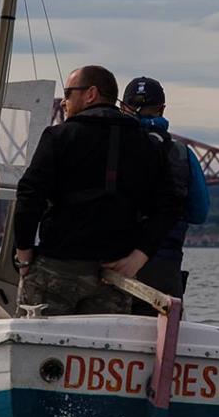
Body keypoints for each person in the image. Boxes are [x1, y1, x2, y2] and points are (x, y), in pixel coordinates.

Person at [13, 65, 179, 316]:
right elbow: (169, 205)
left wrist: (24, 256)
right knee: (101, 349)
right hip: (115, 274)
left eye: (68, 93)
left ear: (90, 93)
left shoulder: (59, 136)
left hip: (57, 265)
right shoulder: (146, 143)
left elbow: (29, 195)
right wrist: (139, 257)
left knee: (38, 345)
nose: (64, 102)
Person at [121, 76, 210, 316]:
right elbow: (199, 213)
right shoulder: (182, 153)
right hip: (165, 270)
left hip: (114, 265)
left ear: (123, 107)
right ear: (162, 108)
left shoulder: (111, 145)